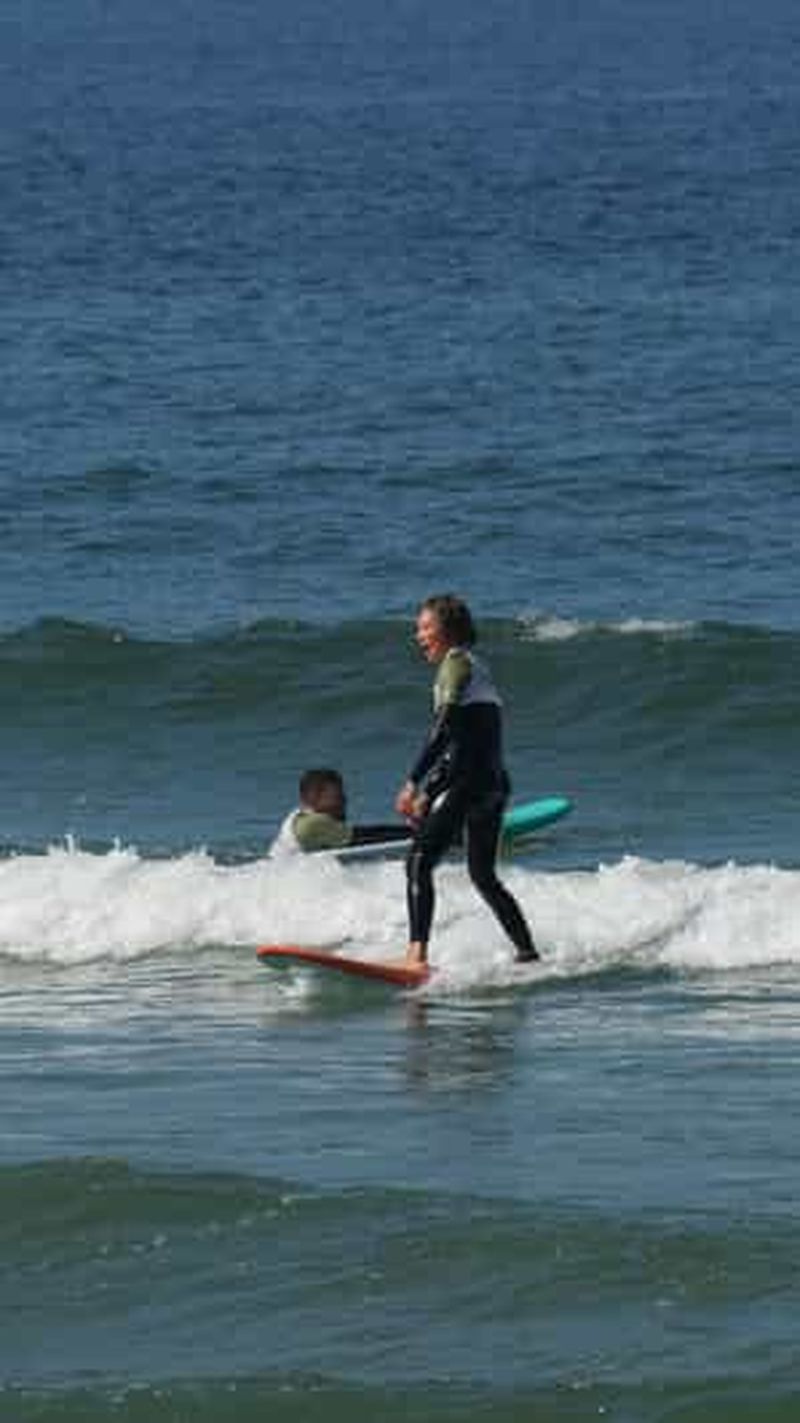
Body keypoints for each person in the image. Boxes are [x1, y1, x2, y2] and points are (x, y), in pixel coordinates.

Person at [395, 594, 539, 968]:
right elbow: (470, 741)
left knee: (418, 862)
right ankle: (527, 953)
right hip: (493, 784)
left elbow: (444, 730)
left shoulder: (454, 665)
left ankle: (416, 956)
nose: (419, 635)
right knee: (483, 876)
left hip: (467, 783)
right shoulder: (478, 667)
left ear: (447, 630)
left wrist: (413, 782)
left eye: (425, 627)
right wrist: (431, 791)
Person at [273, 768, 410, 854]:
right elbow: (368, 836)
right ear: (314, 798)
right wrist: (415, 833)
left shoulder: (296, 817)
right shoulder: (314, 824)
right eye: (337, 797)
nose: (344, 801)